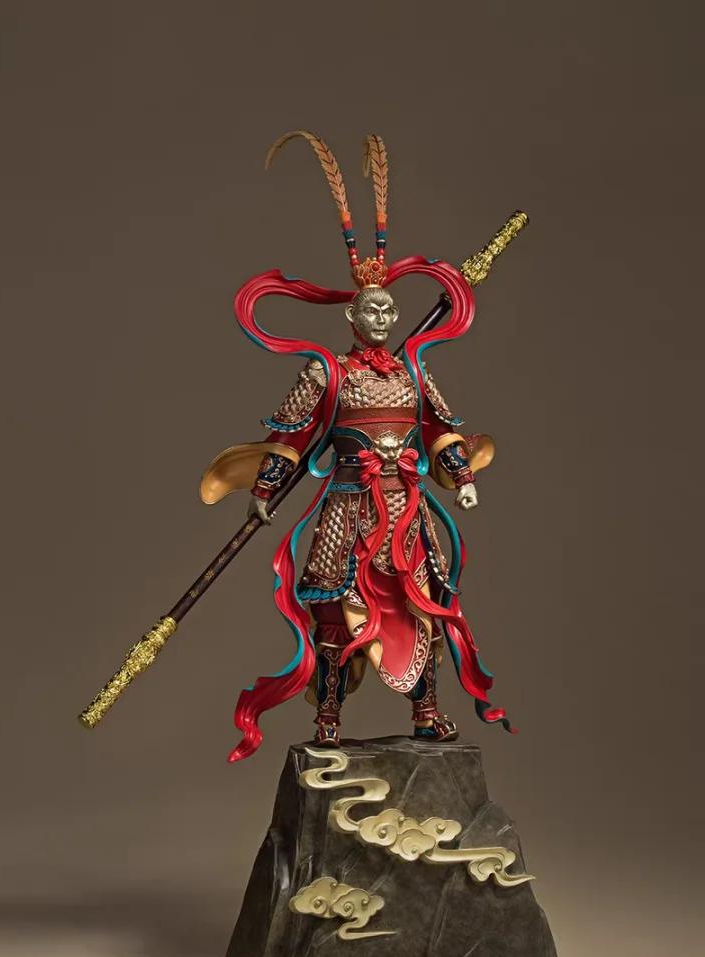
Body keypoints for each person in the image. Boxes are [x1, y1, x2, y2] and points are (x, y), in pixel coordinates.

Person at [200, 132, 508, 762]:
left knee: (424, 604)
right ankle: (329, 717)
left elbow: (440, 428)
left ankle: (426, 710)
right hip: (347, 505)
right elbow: (290, 436)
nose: (382, 319)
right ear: (352, 317)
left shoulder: (413, 371)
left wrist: (462, 477)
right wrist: (264, 490)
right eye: (371, 311)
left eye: (389, 310)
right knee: (335, 614)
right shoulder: (326, 372)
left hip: (407, 508)